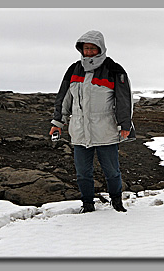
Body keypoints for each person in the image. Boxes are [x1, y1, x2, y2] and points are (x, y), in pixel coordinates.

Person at [49, 30, 135, 213]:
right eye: (85, 48)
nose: (88, 52)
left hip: (106, 130)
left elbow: (123, 99)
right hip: (80, 131)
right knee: (82, 173)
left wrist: (125, 125)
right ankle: (87, 204)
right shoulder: (74, 69)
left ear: (100, 49)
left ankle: (117, 202)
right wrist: (58, 122)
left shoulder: (114, 69)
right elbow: (64, 98)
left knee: (112, 171)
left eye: (92, 48)